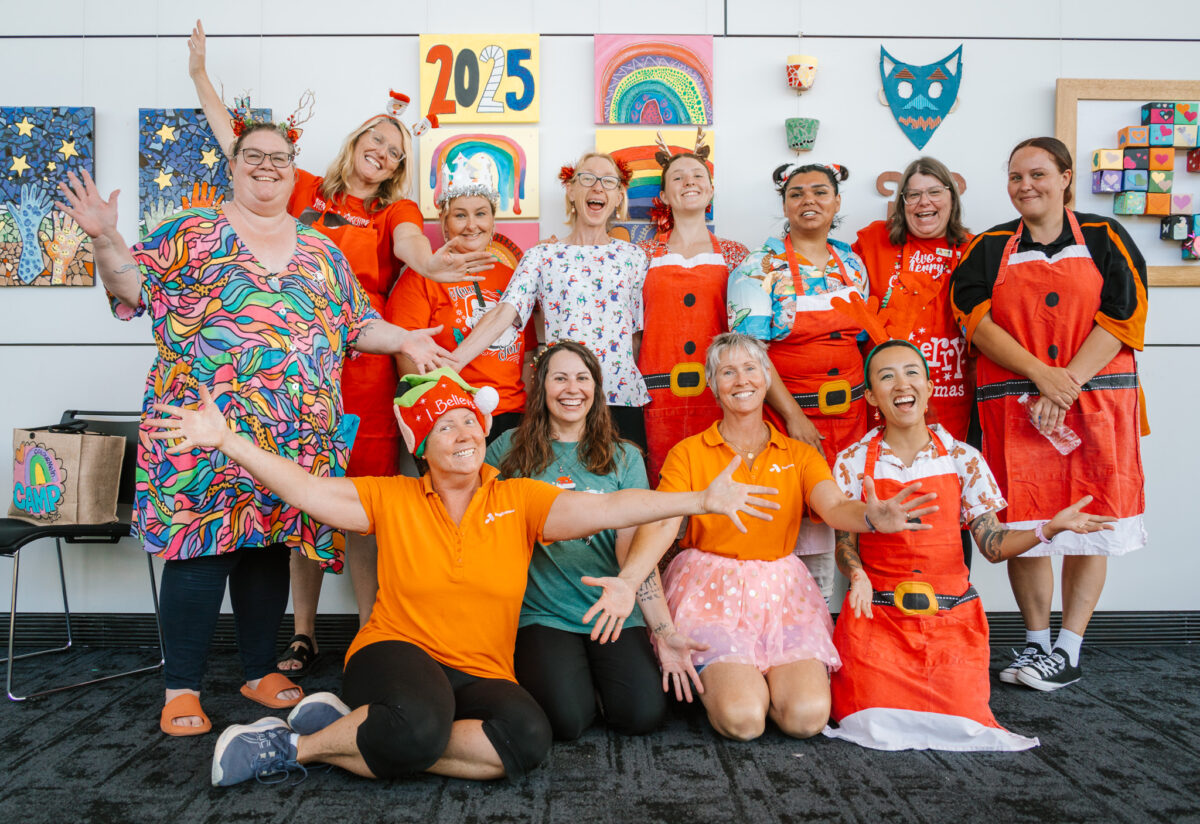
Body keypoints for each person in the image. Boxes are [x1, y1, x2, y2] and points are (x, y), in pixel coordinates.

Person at [145, 367, 779, 785]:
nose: (464, 433)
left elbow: (613, 506)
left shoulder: (519, 499)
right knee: (419, 726)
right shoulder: (391, 496)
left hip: (481, 667)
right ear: (422, 446)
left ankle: (360, 729)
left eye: (470, 421)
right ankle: (290, 748)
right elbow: (306, 490)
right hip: (397, 649)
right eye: (444, 426)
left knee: (527, 740)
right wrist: (228, 442)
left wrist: (699, 500)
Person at [56, 120, 447, 736]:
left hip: (292, 437)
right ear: (233, 165)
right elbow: (132, 287)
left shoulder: (320, 248)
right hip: (201, 432)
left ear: (293, 171)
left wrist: (406, 340)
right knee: (198, 551)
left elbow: (355, 324)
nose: (267, 165)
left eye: (280, 158)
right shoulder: (191, 230)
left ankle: (259, 669)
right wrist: (106, 239)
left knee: (267, 548)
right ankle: (181, 688)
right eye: (254, 155)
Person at [188, 20, 495, 678]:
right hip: (290, 368)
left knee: (363, 506)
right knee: (301, 493)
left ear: (398, 167)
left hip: (363, 371)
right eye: (375, 139)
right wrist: (199, 76)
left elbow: (412, 247)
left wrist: (432, 265)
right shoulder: (301, 189)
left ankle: (370, 632)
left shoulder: (396, 212)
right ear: (356, 142)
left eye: (394, 150)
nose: (382, 152)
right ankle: (302, 634)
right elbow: (235, 144)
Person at [580, 333, 939, 743]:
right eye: (728, 372)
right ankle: (739, 684)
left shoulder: (799, 454)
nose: (741, 380)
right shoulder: (689, 453)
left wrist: (871, 517)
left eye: (751, 368)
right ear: (712, 384)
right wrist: (629, 581)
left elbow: (835, 507)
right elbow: (662, 524)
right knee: (745, 719)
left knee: (807, 719)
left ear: (767, 377)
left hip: (782, 593)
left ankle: (762, 682)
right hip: (710, 591)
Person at [824, 340, 1114, 751]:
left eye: (911, 373)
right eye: (886, 376)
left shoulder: (965, 459)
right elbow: (844, 544)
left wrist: (1048, 529)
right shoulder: (852, 461)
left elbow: (992, 546)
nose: (901, 384)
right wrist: (856, 574)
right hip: (878, 619)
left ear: (929, 388)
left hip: (951, 622)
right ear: (871, 396)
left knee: (963, 722)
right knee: (865, 720)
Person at [951, 136, 1148, 691]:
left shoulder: (1106, 236)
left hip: (1096, 405)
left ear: (1065, 177)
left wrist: (1066, 385)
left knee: (1091, 521)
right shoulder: (988, 246)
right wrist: (1043, 377)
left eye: (1037, 174)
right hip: (1017, 408)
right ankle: (1037, 642)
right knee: (1025, 518)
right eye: (1016, 177)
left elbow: (1124, 315)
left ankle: (1070, 648)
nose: (1025, 186)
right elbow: (973, 319)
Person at [485, 341, 671, 739]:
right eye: (560, 378)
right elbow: (471, 513)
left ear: (596, 388)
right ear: (541, 386)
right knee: (566, 720)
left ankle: (594, 682)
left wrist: (664, 632)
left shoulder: (625, 457)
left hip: (611, 607)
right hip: (542, 611)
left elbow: (636, 550)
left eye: (583, 378)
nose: (573, 389)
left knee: (642, 715)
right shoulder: (507, 449)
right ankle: (579, 687)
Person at [727, 162, 870, 601]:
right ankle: (793, 617)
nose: (809, 200)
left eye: (820, 192)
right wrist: (794, 418)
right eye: (797, 193)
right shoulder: (757, 267)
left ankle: (831, 621)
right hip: (789, 417)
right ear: (785, 205)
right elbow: (751, 357)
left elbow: (861, 339)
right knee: (795, 522)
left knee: (844, 516)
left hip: (851, 417)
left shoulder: (852, 264)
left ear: (837, 202)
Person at [449, 151, 651, 449]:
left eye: (608, 181)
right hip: (565, 400)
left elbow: (638, 337)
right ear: (570, 190)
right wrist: (450, 366)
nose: (598, 187)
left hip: (621, 398)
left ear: (619, 196)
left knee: (627, 476)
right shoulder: (542, 256)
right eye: (588, 178)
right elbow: (504, 313)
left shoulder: (635, 257)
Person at [390, 157, 535, 443]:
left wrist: (531, 418)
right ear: (444, 223)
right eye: (460, 215)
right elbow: (406, 358)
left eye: (480, 214)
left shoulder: (513, 278)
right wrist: (437, 413)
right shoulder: (420, 277)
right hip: (451, 415)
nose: (471, 225)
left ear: (492, 221)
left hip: (513, 418)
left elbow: (528, 355)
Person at [636, 130, 751, 485]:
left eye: (698, 175)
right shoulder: (641, 255)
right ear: (663, 196)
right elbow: (633, 333)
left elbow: (749, 337)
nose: (689, 182)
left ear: (711, 190)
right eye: (678, 177)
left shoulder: (736, 254)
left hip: (720, 393)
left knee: (720, 480)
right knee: (663, 486)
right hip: (656, 396)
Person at [852, 157, 973, 441]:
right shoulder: (873, 240)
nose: (924, 202)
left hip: (951, 393)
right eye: (914, 194)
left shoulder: (974, 249)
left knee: (944, 465)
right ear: (902, 202)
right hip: (885, 394)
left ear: (952, 198)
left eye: (934, 192)